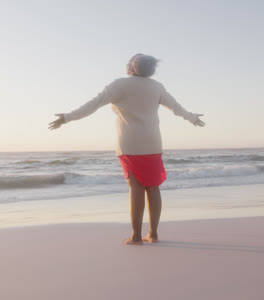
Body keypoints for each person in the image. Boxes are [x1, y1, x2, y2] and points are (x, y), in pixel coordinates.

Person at [48, 53, 205, 245]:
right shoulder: (156, 86)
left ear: (131, 67)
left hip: (130, 144)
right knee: (153, 187)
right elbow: (176, 108)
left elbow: (93, 105)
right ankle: (153, 234)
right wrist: (193, 118)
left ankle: (136, 236)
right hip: (153, 143)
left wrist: (66, 117)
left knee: (136, 187)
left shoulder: (119, 85)